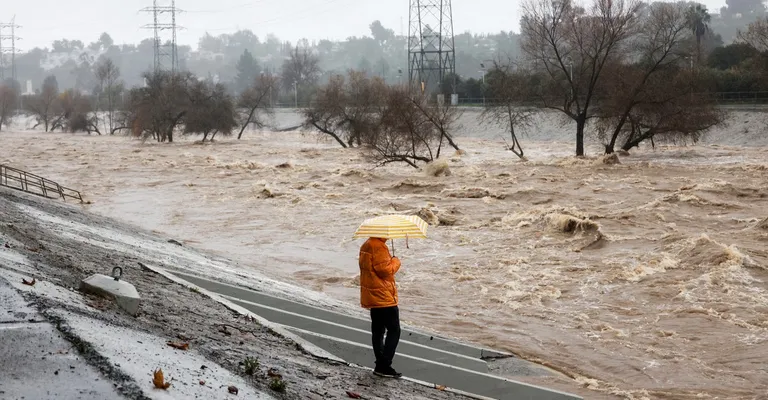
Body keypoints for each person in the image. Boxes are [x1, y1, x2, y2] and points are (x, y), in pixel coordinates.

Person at [359, 237, 403, 378]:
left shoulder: (366, 244)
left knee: (378, 330)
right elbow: (385, 270)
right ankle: (384, 365)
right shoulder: (379, 247)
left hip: (372, 294)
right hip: (383, 296)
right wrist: (396, 261)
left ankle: (380, 364)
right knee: (394, 330)